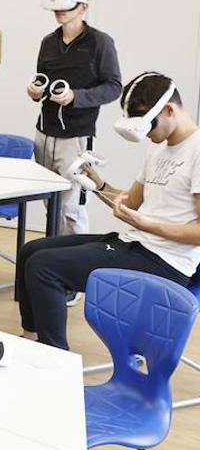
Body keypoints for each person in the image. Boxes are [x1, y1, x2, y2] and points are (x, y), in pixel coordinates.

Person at [17, 73, 200, 351]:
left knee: (44, 267)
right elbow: (130, 203)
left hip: (165, 264)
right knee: (31, 251)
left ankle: (53, 358)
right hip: (136, 243)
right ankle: (31, 338)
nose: (146, 134)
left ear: (169, 110)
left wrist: (147, 225)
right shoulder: (158, 149)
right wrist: (96, 183)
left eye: (148, 126)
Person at [26, 0, 122, 238]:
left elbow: (114, 87)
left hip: (76, 138)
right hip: (44, 134)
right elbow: (41, 80)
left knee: (71, 208)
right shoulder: (48, 42)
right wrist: (35, 92)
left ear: (83, 7)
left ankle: (74, 273)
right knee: (51, 204)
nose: (59, 10)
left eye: (66, 4)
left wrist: (75, 97)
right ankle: (49, 264)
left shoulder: (100, 43)